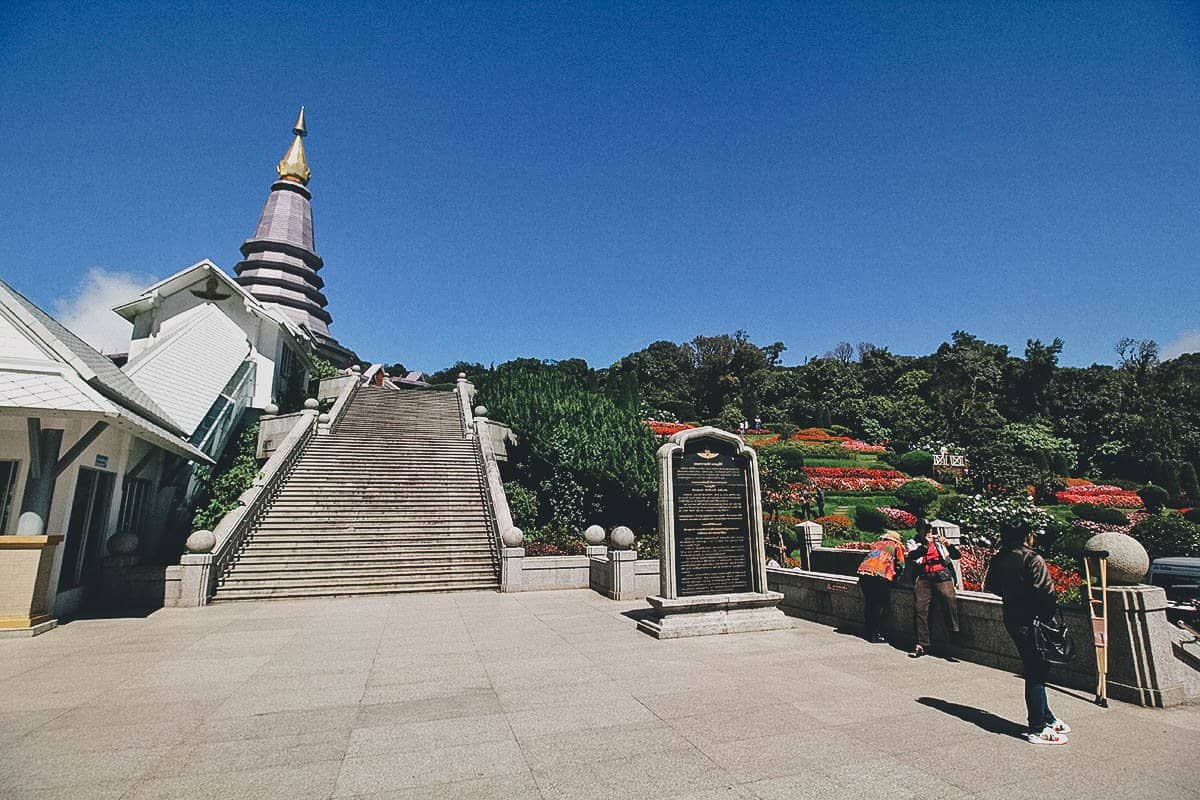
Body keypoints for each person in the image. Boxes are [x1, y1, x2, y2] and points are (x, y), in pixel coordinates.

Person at [985, 523, 1070, 745]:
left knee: (1035, 667)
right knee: (1036, 671)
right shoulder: (1032, 558)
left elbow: (991, 586)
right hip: (1034, 620)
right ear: (1027, 536)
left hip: (1012, 616)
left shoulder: (999, 558)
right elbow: (1046, 592)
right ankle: (1037, 727)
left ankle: (1047, 717)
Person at [907, 519, 960, 658]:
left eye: (929, 529)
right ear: (919, 531)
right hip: (924, 575)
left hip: (941, 573)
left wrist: (948, 544)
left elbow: (956, 555)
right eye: (925, 529)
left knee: (948, 597)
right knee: (920, 608)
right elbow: (914, 558)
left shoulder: (938, 542)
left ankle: (954, 632)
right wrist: (925, 545)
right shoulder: (913, 543)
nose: (928, 532)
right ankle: (921, 644)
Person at [856, 530, 906, 643]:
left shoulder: (877, 544)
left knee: (870, 603)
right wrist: (897, 578)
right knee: (880, 604)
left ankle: (868, 631)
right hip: (879, 575)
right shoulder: (896, 545)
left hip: (864, 573)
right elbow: (901, 564)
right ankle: (876, 634)